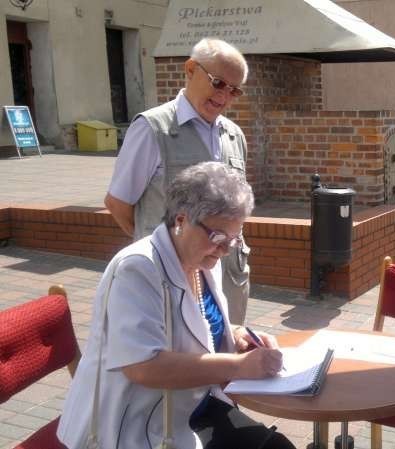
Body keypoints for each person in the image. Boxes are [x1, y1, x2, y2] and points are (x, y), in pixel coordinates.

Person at [57, 162, 295, 449]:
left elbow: (195, 322)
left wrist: (236, 334)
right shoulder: (138, 268)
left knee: (276, 446)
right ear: (181, 221)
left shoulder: (203, 261)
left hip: (187, 411)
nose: (225, 249)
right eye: (218, 236)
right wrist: (238, 366)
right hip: (133, 426)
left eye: (234, 238)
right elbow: (143, 367)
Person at [104, 38, 251, 325]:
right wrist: (166, 247)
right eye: (218, 83)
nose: (224, 96)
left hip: (226, 275)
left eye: (234, 90)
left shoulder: (234, 135)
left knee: (225, 353)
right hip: (170, 276)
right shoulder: (152, 128)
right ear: (191, 69)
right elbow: (118, 203)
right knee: (177, 359)